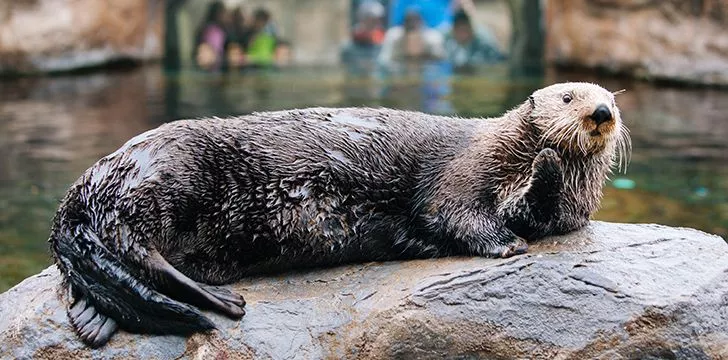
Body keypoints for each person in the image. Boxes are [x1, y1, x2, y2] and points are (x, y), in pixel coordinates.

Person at [377, 7, 445, 67]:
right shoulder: (394, 38)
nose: (412, 24)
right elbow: (384, 61)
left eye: (415, 21)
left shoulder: (432, 40)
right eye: (409, 22)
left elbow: (441, 62)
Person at [194, 1, 230, 71]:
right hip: (211, 68)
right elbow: (210, 52)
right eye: (223, 13)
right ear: (217, 14)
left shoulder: (219, 29)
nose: (225, 16)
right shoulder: (212, 30)